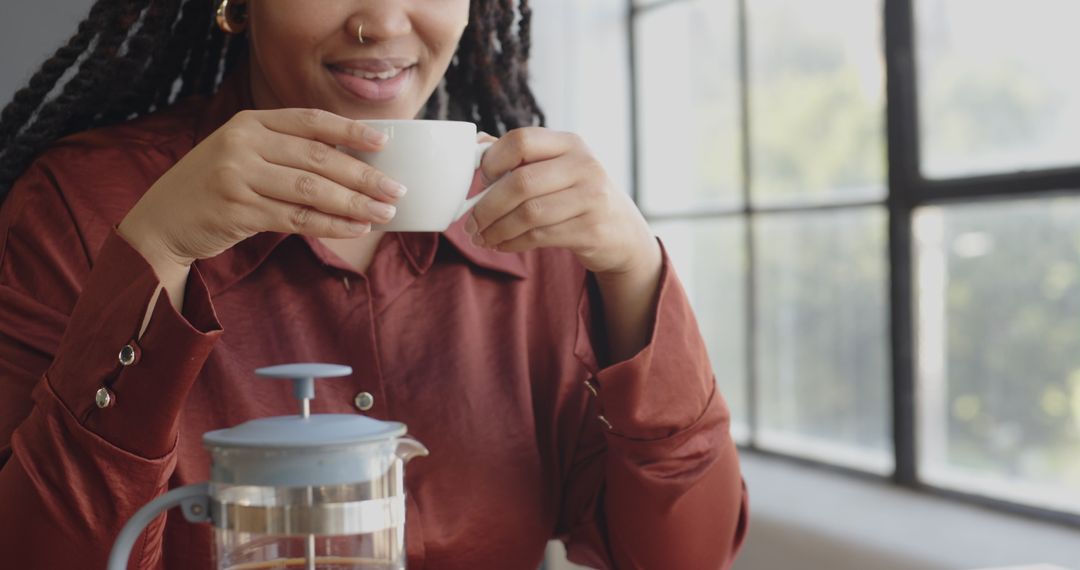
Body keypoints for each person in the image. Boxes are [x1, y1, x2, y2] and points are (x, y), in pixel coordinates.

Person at [0, 0, 748, 568]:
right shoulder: (78, 208)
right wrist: (159, 253)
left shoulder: (536, 231)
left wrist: (637, 274)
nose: (385, 23)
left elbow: (683, 557)